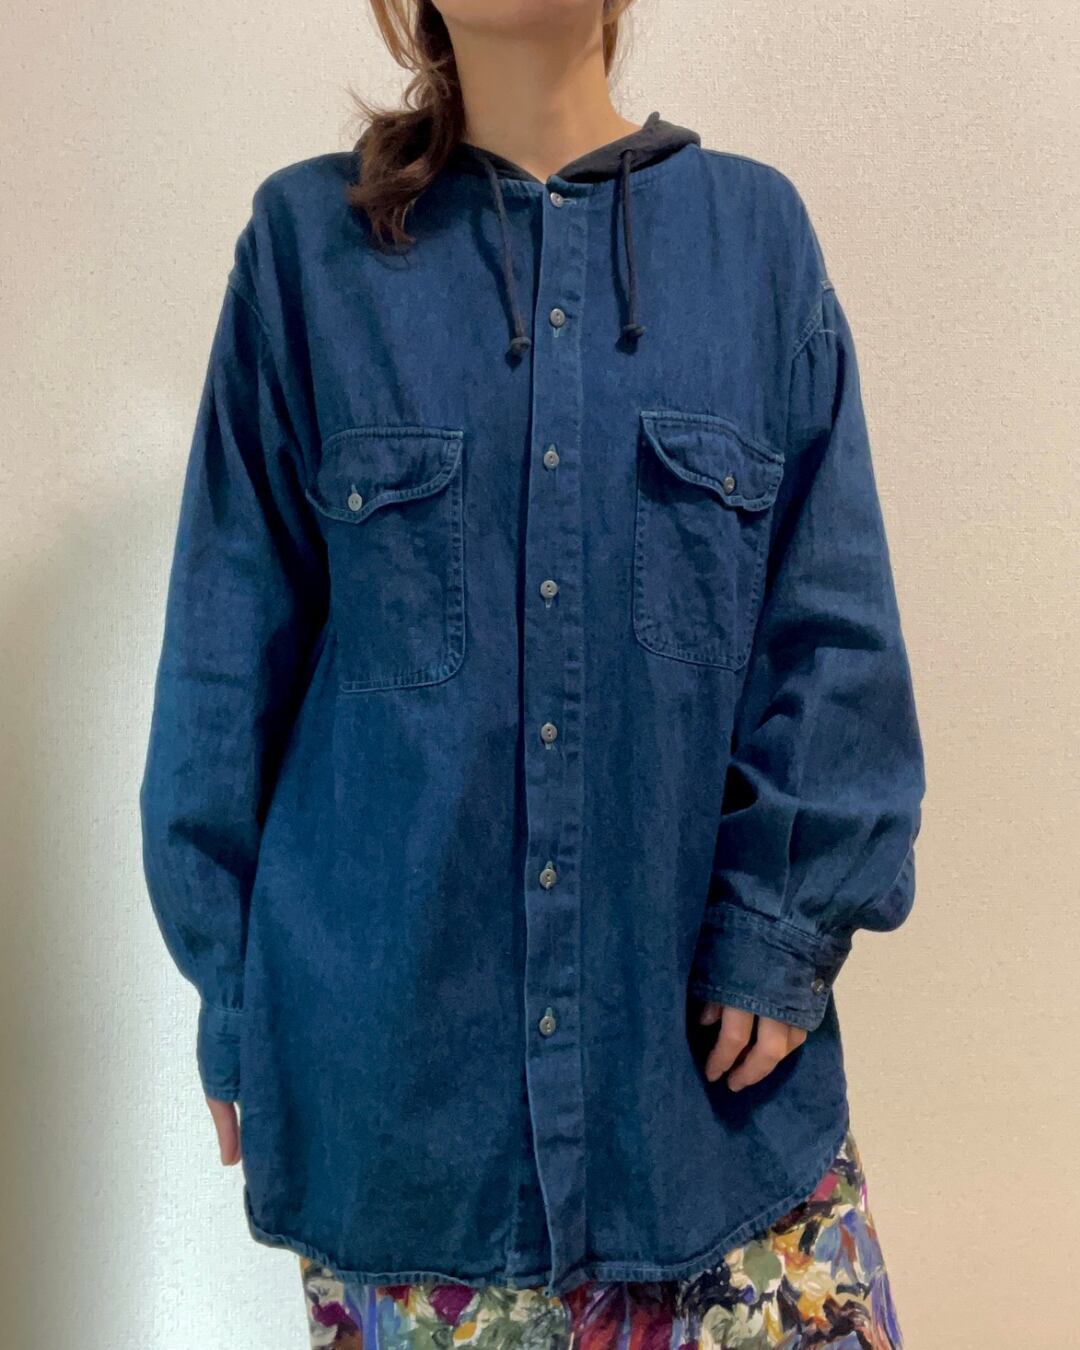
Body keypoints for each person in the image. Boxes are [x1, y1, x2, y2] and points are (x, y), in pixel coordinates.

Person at [139, 1, 926, 1345]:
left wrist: (783, 924)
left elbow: (832, 630)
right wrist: (232, 994)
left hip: (708, 1123)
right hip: (407, 1139)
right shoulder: (305, 252)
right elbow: (225, 655)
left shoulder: (756, 244)